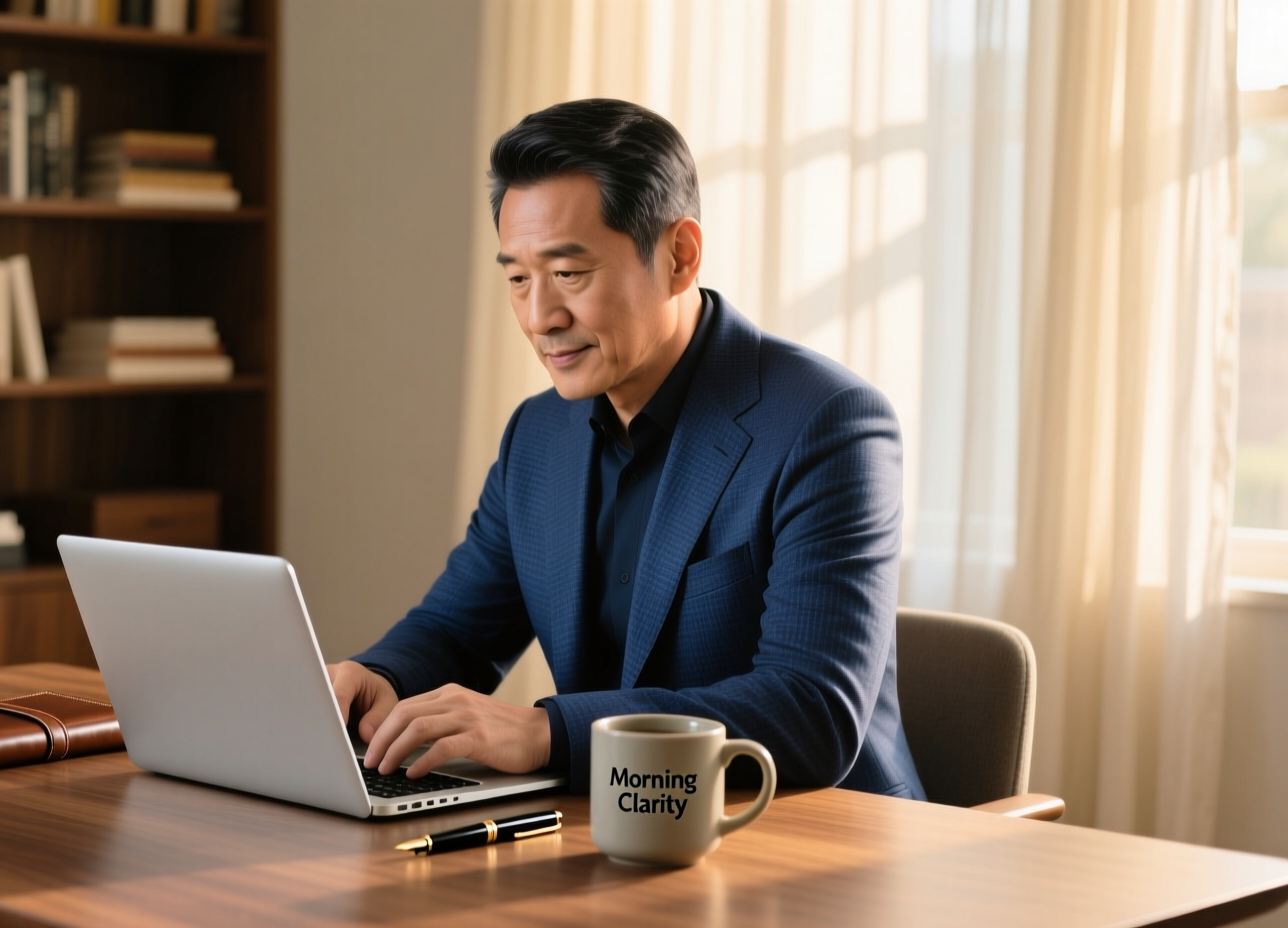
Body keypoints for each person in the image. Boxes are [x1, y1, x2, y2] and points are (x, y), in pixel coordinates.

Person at [327, 98, 925, 799]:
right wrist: (379, 677)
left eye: (569, 275)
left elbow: (810, 713)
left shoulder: (828, 425)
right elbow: (459, 629)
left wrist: (548, 733)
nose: (539, 317)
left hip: (814, 849)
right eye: (518, 278)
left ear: (680, 256)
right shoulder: (538, 436)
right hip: (616, 835)